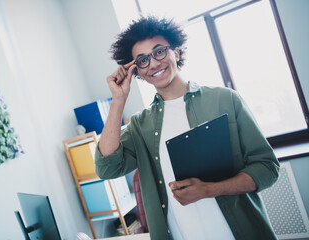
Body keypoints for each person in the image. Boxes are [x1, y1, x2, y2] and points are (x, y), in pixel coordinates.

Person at [95, 16, 279, 240]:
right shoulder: (140, 125)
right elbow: (107, 168)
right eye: (142, 60)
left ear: (177, 52)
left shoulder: (225, 99)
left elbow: (267, 168)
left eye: (159, 51)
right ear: (137, 71)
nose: (153, 63)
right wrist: (118, 101)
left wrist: (209, 190)